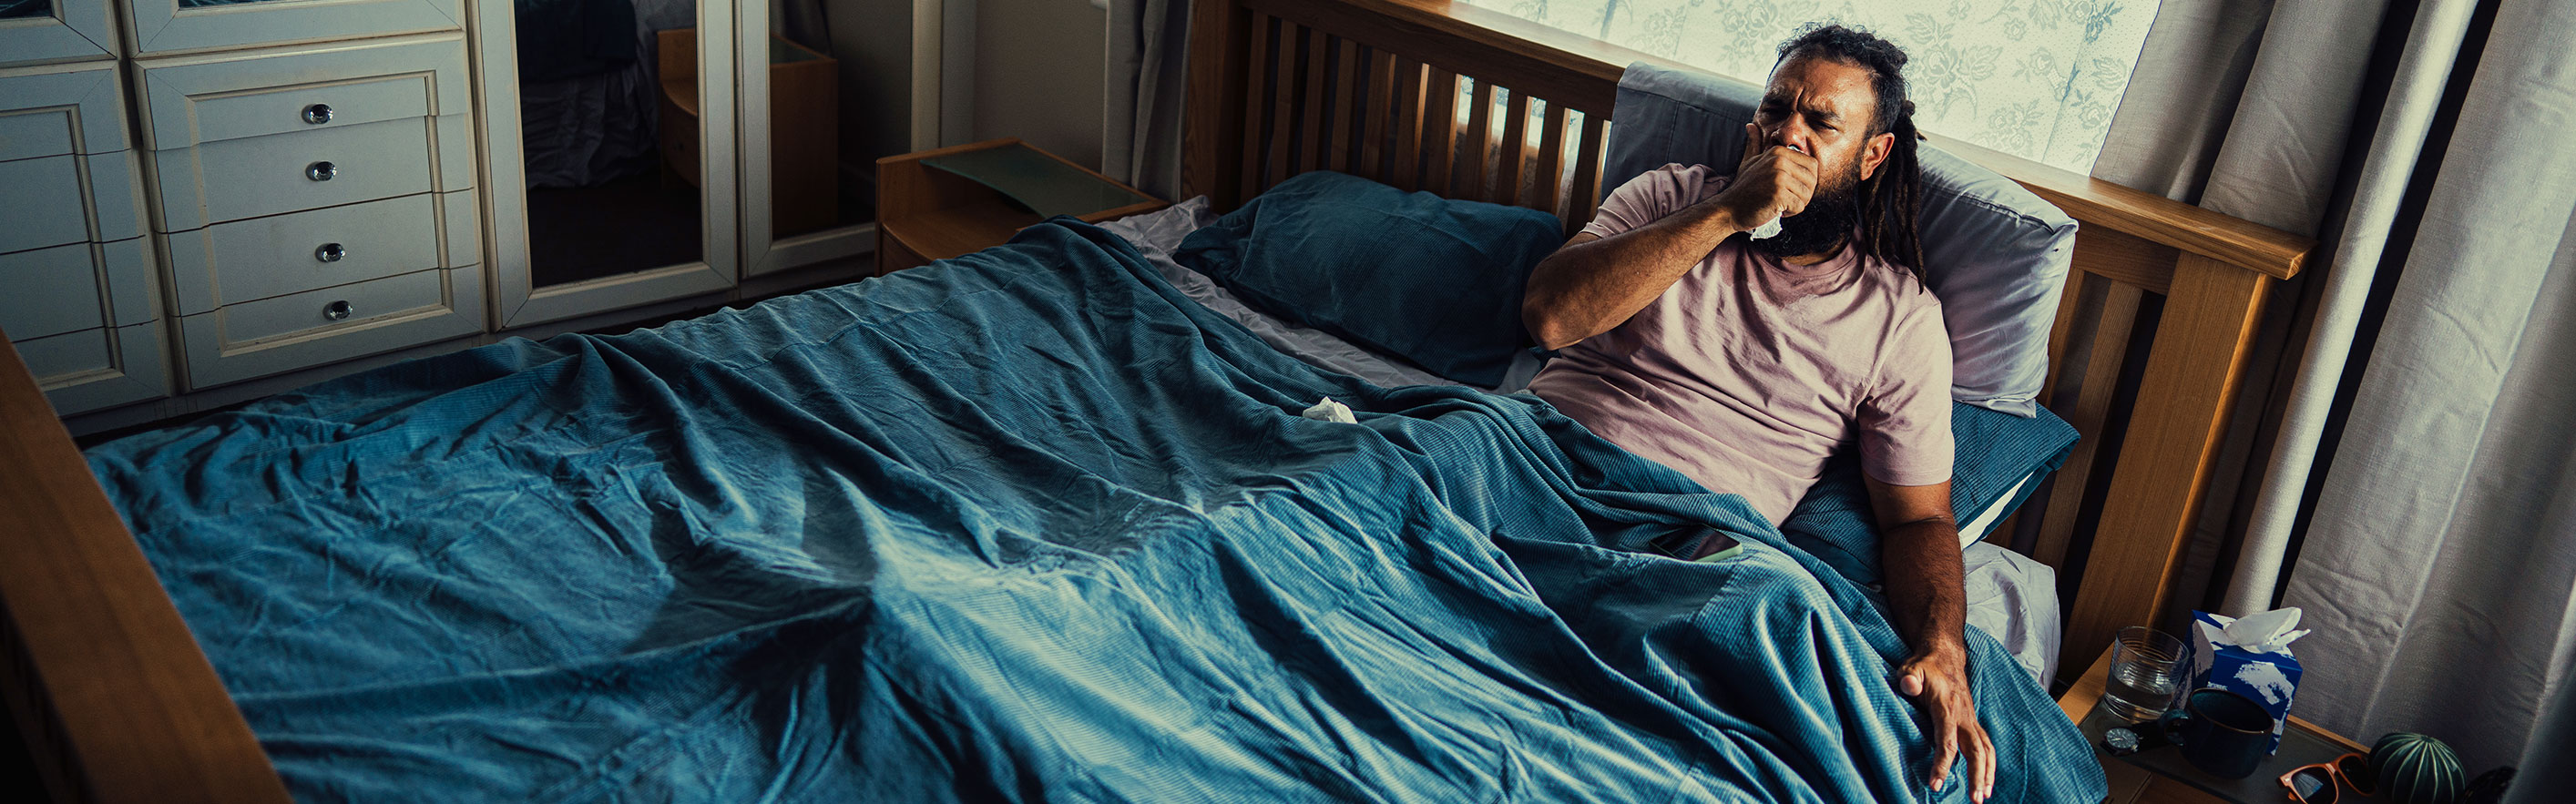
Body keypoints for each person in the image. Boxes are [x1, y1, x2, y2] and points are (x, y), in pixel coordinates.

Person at [1518, 24, 1992, 803]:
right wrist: (1725, 215)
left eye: (1821, 123)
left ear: (1871, 155)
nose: (1788, 136)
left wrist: (1943, 646)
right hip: (1531, 457)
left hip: (1683, 535)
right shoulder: (1669, 197)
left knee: (1778, 613)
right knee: (1393, 458)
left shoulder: (1897, 318)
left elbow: (1917, 522)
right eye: (1776, 111)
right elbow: (1550, 318)